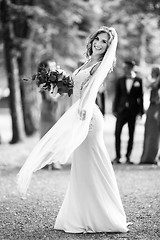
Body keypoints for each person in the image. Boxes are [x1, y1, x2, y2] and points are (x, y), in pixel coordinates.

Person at [17, 26, 129, 233]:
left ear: (108, 46)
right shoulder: (87, 62)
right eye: (98, 39)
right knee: (82, 165)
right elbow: (75, 88)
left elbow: (91, 89)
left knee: (94, 162)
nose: (99, 43)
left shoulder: (101, 65)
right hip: (77, 111)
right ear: (93, 39)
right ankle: (82, 212)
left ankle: (104, 214)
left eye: (104, 41)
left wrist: (84, 111)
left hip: (87, 116)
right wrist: (56, 84)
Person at [112, 60, 144, 164]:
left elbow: (141, 97)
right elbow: (117, 96)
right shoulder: (120, 80)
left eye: (126, 67)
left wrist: (141, 111)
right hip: (121, 111)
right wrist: (114, 109)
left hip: (133, 111)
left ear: (131, 68)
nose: (125, 69)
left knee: (131, 134)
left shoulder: (139, 80)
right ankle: (117, 157)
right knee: (117, 133)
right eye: (124, 67)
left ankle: (128, 157)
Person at [140, 65, 160, 165]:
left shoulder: (157, 83)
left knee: (154, 134)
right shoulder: (154, 82)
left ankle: (151, 157)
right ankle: (147, 157)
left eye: (152, 71)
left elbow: (149, 85)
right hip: (151, 108)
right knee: (149, 133)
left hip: (156, 108)